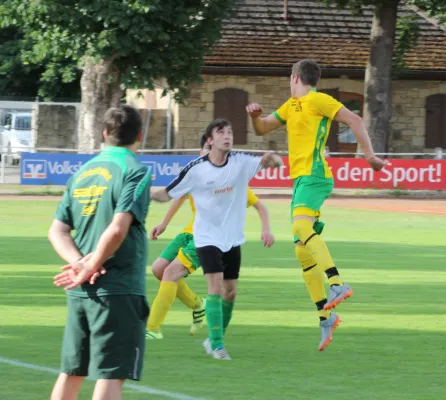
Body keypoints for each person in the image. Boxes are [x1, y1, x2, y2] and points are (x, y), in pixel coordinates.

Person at [245, 59, 389, 351]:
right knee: (302, 249)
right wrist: (254, 116)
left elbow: (356, 120)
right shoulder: (290, 106)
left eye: (290, 77)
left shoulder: (319, 99)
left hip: (315, 175)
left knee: (300, 226)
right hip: (300, 181)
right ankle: (326, 315)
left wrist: (370, 156)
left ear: (295, 77)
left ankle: (337, 282)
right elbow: (262, 129)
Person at [151, 118, 283, 360]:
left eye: (230, 131)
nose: (227, 135)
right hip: (206, 237)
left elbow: (267, 163)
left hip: (232, 238)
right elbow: (166, 194)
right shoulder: (196, 169)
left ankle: (213, 338)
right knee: (215, 287)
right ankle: (218, 345)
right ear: (210, 140)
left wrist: (273, 159)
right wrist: (144, 192)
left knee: (230, 292)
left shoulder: (241, 162)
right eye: (221, 132)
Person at [49, 105, 151, 400]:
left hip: (80, 290)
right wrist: (92, 263)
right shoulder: (136, 171)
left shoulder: (82, 171)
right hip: (117, 289)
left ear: (104, 133)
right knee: (110, 376)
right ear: (140, 136)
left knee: (71, 373)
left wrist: (79, 263)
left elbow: (57, 230)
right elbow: (118, 229)